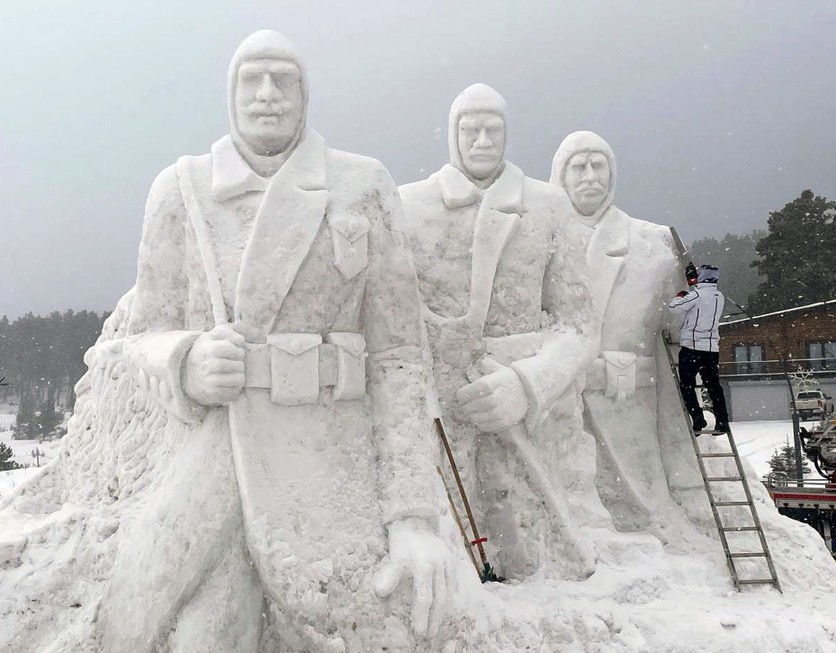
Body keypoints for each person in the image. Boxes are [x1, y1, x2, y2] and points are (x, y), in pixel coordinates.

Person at [93, 29, 455, 652]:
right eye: (250, 80)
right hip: (219, 459)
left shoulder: (363, 185)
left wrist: (413, 515)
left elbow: (399, 356)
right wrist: (185, 361)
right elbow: (143, 332)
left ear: (305, 95)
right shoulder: (182, 189)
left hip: (333, 461)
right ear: (229, 93)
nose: (267, 95)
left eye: (282, 80)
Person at [397, 84, 604, 580]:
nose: (483, 141)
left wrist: (528, 384)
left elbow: (579, 325)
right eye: (471, 129)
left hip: (526, 416)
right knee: (451, 553)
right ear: (452, 135)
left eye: (494, 129)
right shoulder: (408, 206)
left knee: (534, 561)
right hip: (442, 412)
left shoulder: (549, 207)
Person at [549, 131, 703, 534]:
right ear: (559, 176)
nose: (589, 175)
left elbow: (679, 328)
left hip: (630, 405)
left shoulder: (653, 242)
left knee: (642, 512)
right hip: (560, 406)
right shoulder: (541, 239)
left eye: (598, 164)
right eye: (577, 166)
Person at [669, 264, 730, 435]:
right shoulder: (719, 296)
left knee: (687, 385)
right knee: (714, 387)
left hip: (692, 348)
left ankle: (697, 418)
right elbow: (704, 300)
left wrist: (680, 295)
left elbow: (674, 308)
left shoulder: (695, 295)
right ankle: (722, 421)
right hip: (711, 350)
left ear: (700, 278)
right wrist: (694, 284)